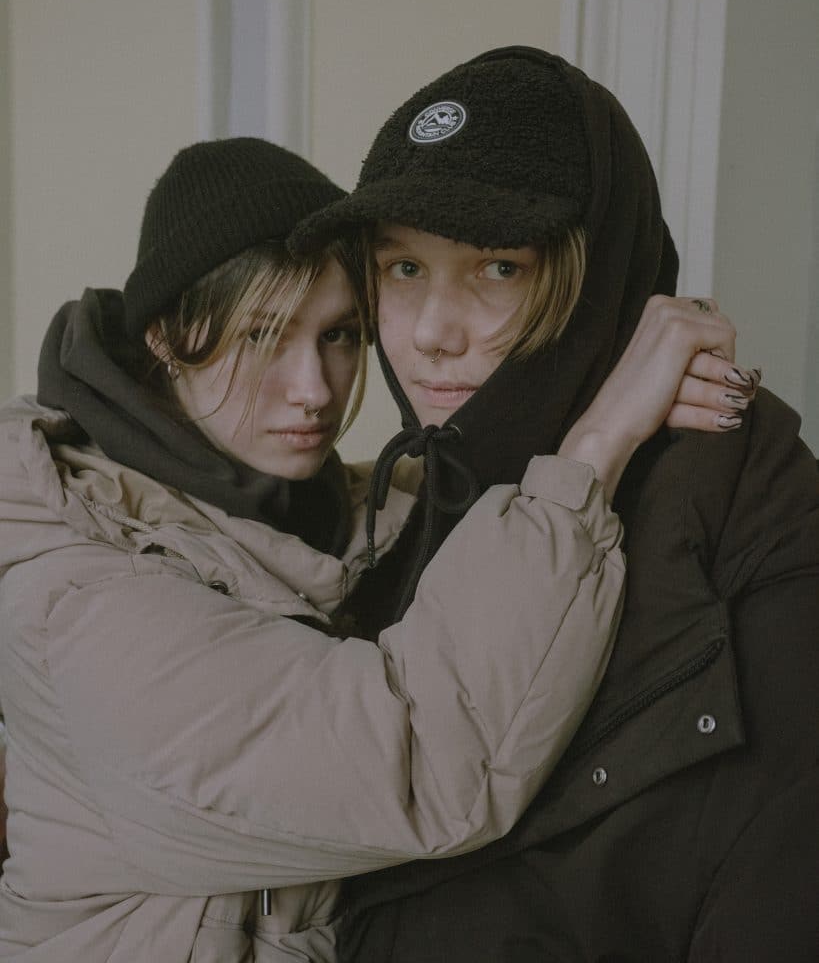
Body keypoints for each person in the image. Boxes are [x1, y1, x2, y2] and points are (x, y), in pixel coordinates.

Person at [0, 134, 746, 962]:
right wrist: (597, 442)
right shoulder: (79, 601)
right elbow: (430, 771)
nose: (314, 390)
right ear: (168, 339)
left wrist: (619, 376)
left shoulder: (308, 509)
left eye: (342, 334)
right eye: (260, 338)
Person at [289, 46, 819, 961]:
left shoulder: (736, 497)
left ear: (601, 273)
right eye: (402, 269)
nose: (429, 337)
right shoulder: (394, 504)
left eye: (499, 268)